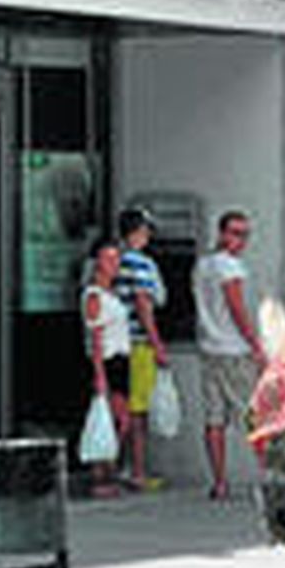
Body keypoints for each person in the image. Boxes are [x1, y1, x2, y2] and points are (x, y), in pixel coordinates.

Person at [193, 209, 266, 500]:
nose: (241, 240)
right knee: (252, 417)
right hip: (233, 350)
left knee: (215, 419)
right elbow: (236, 308)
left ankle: (220, 482)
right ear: (222, 233)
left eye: (245, 234)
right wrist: (256, 345)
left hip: (209, 348)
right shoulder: (229, 266)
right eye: (235, 233)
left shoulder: (203, 265)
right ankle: (268, 478)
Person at [114, 209, 169, 492]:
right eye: (147, 230)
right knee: (138, 411)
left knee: (122, 408)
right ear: (138, 232)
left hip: (119, 343)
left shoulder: (114, 260)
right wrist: (157, 343)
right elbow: (143, 305)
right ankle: (137, 472)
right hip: (138, 343)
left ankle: (117, 469)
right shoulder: (139, 263)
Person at [82, 239, 132, 498]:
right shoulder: (94, 295)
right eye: (108, 259)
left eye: (116, 259)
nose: (113, 264)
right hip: (107, 360)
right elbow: (95, 337)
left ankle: (109, 470)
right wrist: (99, 373)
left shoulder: (112, 294)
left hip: (121, 359)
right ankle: (100, 475)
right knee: (112, 420)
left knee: (119, 420)